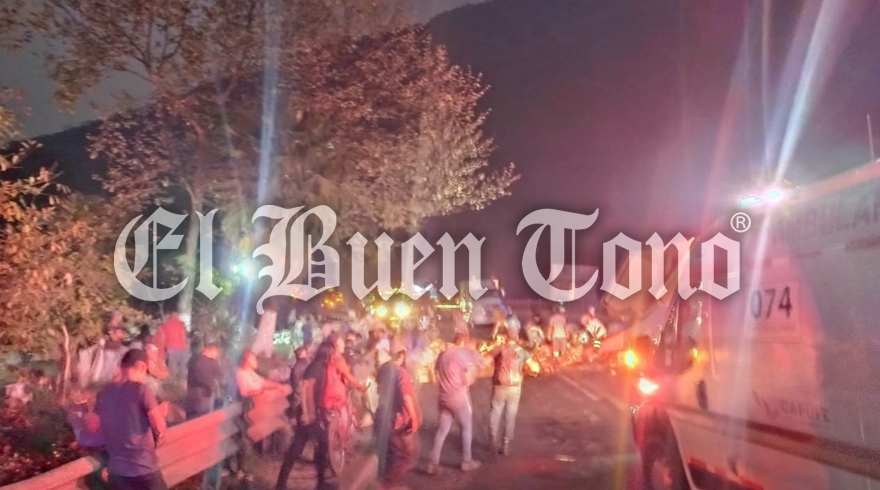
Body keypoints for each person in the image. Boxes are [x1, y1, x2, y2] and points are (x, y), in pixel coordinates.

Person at [96, 349, 168, 490]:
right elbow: (159, 426)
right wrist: (161, 418)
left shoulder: (104, 393)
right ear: (141, 366)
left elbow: (100, 424)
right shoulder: (141, 390)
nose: (144, 377)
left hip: (117, 471)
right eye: (145, 372)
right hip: (143, 468)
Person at [276, 342, 334, 490]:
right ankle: (320, 483)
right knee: (315, 446)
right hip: (308, 415)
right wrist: (308, 413)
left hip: (310, 414)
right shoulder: (316, 367)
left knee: (301, 448)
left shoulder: (320, 366)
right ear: (327, 353)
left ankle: (282, 484)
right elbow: (306, 388)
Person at [427, 331, 487, 474]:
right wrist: (472, 376)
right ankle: (467, 461)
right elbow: (467, 380)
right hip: (459, 397)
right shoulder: (462, 356)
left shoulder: (442, 355)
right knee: (466, 427)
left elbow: (435, 372)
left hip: (443, 397)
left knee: (442, 431)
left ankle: (433, 463)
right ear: (463, 341)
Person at [375, 340, 420, 490]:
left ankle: (384, 483)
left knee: (391, 453)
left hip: (382, 416)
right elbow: (406, 396)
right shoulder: (401, 372)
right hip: (396, 419)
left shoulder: (383, 368)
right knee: (406, 455)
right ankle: (388, 485)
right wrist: (413, 417)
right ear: (401, 355)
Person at [488, 327, 535, 456]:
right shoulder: (522, 352)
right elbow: (535, 367)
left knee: (495, 411)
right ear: (517, 337)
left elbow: (485, 360)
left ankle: (492, 439)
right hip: (514, 387)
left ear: (505, 337)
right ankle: (506, 444)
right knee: (510, 415)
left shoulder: (499, 349)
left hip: (499, 386)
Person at [185, 343, 223, 420]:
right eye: (216, 354)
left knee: (190, 418)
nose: (216, 357)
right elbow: (221, 377)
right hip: (205, 395)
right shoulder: (213, 363)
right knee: (203, 419)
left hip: (191, 393)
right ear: (211, 351)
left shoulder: (193, 359)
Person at [156, 310, 189, 378]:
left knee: (172, 364)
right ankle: (182, 378)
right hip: (181, 347)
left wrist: (164, 347)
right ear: (176, 315)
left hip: (170, 348)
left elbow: (163, 337)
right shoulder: (181, 324)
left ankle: (171, 378)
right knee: (183, 364)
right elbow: (183, 335)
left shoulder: (166, 325)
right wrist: (185, 345)